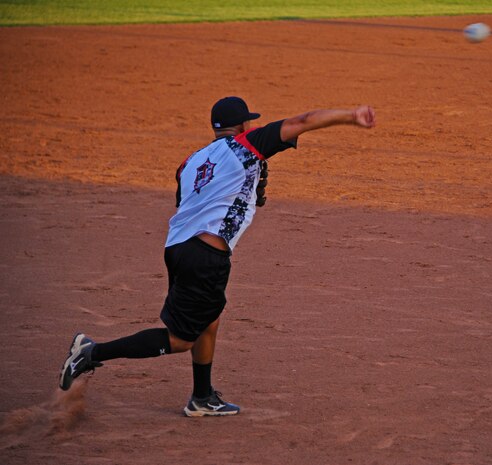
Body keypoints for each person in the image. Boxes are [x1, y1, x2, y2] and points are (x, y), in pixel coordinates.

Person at [59, 96, 376, 417]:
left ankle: (201, 397)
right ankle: (92, 352)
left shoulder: (191, 162)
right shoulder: (246, 144)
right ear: (241, 125)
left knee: (209, 320)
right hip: (206, 256)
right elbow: (302, 121)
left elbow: (195, 201)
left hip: (179, 248)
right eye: (248, 122)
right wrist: (351, 116)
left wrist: (248, 190)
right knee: (181, 339)